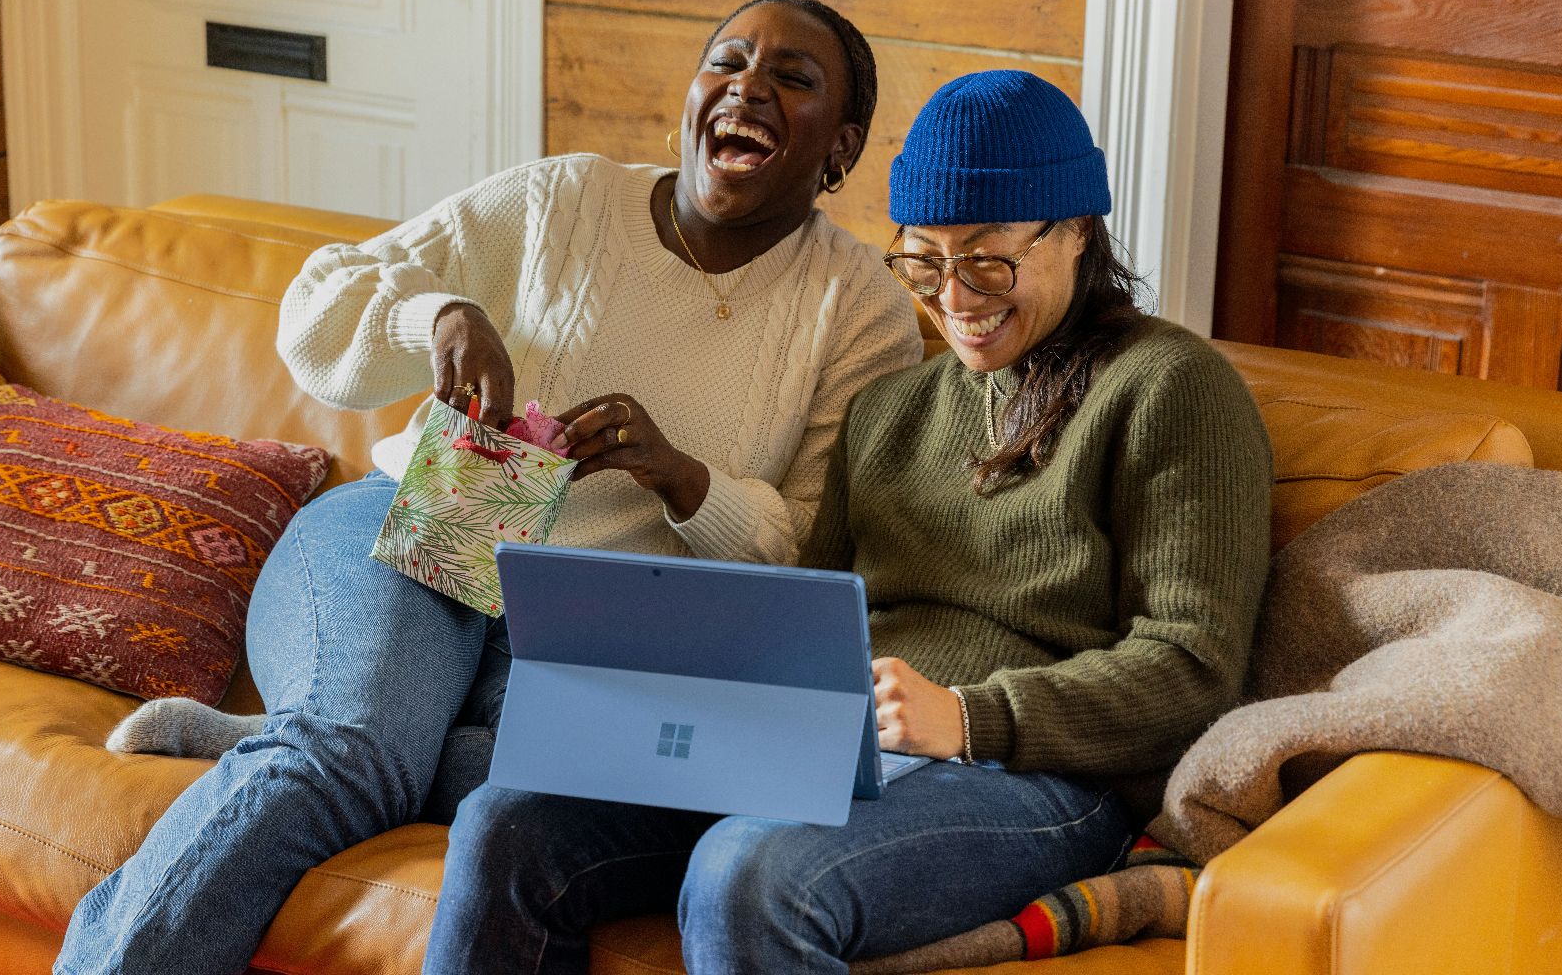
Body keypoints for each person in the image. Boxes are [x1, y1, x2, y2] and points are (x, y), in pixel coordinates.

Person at [52, 0, 923, 975]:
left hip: (598, 632)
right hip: (420, 525)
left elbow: (815, 550)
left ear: (840, 148)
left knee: (552, 779)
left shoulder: (862, 315)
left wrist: (685, 481)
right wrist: (443, 318)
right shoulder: (564, 202)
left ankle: (288, 731)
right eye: (726, 61)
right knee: (345, 764)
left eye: (792, 79)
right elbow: (315, 307)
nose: (747, 86)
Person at [425, 70, 1275, 974]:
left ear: (1075, 231)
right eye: (924, 261)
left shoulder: (1171, 388)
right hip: (833, 747)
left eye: (988, 260)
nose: (954, 298)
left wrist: (971, 719)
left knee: (751, 872)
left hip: (1035, 777)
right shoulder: (890, 411)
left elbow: (1192, 666)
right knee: (506, 819)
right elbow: (805, 614)